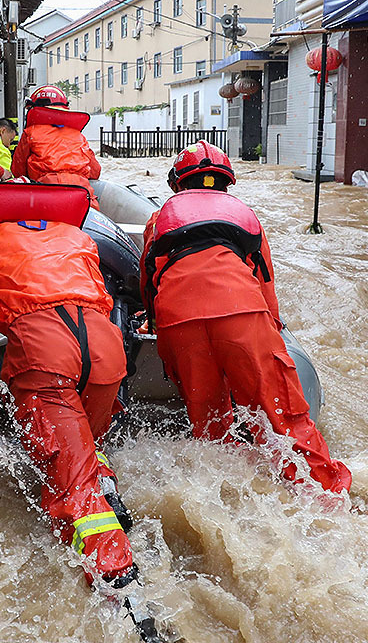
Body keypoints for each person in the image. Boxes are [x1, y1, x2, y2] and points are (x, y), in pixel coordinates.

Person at [0, 183, 160, 637]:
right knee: (85, 445)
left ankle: (125, 595)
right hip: (106, 351)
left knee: (72, 487)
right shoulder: (75, 240)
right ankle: (106, 485)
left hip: (46, 353)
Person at [140, 141, 352, 496]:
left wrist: (154, 324)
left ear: (177, 183)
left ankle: (227, 497)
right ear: (226, 182)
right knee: (284, 416)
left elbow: (149, 279)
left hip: (179, 320)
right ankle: (326, 495)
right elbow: (264, 281)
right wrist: (273, 330)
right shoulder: (243, 215)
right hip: (242, 313)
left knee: (209, 424)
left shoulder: (160, 218)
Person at [12, 85, 102, 208]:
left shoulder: (31, 133)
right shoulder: (78, 136)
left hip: (46, 198)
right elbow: (95, 172)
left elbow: (18, 171)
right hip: (83, 199)